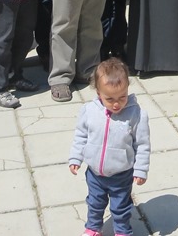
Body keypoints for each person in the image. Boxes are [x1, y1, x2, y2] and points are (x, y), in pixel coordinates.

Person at [68, 58, 150, 236]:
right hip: (95, 173)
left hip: (121, 175)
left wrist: (141, 170)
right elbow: (81, 136)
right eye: (109, 98)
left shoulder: (136, 114)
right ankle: (93, 228)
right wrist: (76, 157)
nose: (116, 103)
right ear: (98, 92)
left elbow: (142, 145)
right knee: (94, 203)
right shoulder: (89, 111)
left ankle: (122, 231)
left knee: (120, 208)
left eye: (122, 97)